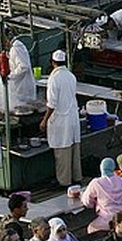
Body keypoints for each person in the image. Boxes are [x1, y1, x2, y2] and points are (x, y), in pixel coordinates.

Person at [40, 50, 81, 188]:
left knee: (62, 151)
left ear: (52, 63)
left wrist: (45, 120)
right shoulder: (71, 76)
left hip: (61, 119)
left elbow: (52, 103)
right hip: (72, 117)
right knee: (73, 148)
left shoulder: (54, 78)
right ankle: (76, 177)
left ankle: (64, 181)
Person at [81, 159, 122, 235]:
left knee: (92, 228)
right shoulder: (120, 179)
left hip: (110, 219)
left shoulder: (96, 183)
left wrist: (93, 202)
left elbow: (87, 202)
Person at [0, 25, 36, 106]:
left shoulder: (16, 47)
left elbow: (23, 67)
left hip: (24, 88)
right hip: (19, 87)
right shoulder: (12, 48)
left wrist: (10, 77)